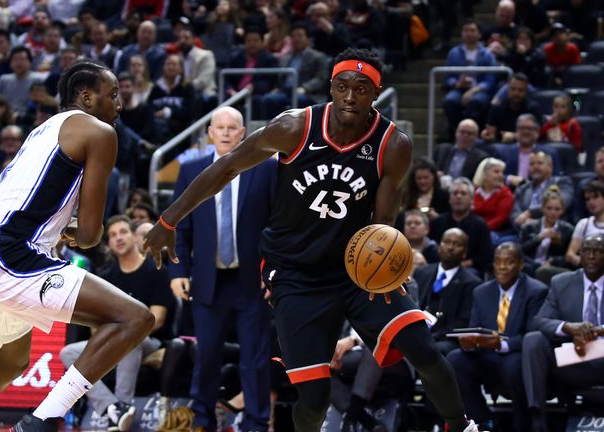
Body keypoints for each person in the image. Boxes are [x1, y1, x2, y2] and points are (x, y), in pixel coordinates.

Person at [145, 48, 479, 432]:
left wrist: (387, 268)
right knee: (315, 398)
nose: (351, 97)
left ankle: (461, 425)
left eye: (362, 88)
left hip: (356, 270)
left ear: (377, 92)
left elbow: (382, 224)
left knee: (421, 346)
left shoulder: (392, 145)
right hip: (295, 274)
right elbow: (227, 166)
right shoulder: (294, 127)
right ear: (331, 87)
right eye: (343, 87)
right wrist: (169, 220)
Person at [0, 60, 156, 432]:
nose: (119, 104)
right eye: (112, 95)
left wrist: (62, 230)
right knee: (135, 318)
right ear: (86, 97)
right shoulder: (100, 132)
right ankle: (42, 421)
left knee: (8, 363)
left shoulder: (43, 130)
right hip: (8, 251)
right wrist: (76, 233)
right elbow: (89, 235)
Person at [168, 106, 276, 431]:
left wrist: (273, 273)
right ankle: (202, 420)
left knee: (255, 359)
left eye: (233, 127)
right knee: (208, 355)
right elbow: (178, 227)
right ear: (210, 133)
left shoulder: (266, 170)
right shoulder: (191, 171)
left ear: (243, 133)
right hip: (207, 280)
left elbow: (277, 227)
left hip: (251, 282)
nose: (227, 133)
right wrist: (177, 273)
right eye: (221, 127)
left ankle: (255, 422)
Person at [59, 215, 174, 431]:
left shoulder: (156, 272)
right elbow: (95, 325)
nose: (118, 238)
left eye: (123, 232)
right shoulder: (105, 276)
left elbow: (157, 319)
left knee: (131, 335)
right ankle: (113, 409)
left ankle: (124, 404)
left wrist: (121, 330)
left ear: (134, 236)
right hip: (116, 338)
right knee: (68, 353)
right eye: (112, 235)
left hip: (151, 342)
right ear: (108, 244)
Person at [447, 242, 547, 431]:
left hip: (516, 353)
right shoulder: (481, 291)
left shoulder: (536, 291)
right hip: (486, 354)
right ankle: (482, 421)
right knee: (455, 359)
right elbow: (474, 327)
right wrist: (470, 343)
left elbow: (532, 334)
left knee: (514, 365)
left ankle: (523, 423)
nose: (502, 267)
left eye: (508, 262)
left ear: (520, 265)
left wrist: (501, 344)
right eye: (498, 262)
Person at [522, 233, 604, 432]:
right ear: (580, 255)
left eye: (598, 252)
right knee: (534, 340)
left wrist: (598, 331)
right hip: (571, 358)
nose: (591, 256)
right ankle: (537, 417)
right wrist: (568, 327)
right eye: (587, 251)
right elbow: (540, 321)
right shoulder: (561, 282)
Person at [414, 228, 481, 355]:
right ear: (439, 247)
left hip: (446, 338)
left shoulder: (472, 283)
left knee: (434, 349)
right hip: (418, 332)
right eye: (447, 242)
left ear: (465, 253)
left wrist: (433, 336)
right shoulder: (422, 272)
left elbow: (463, 321)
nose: (450, 247)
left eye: (457, 244)